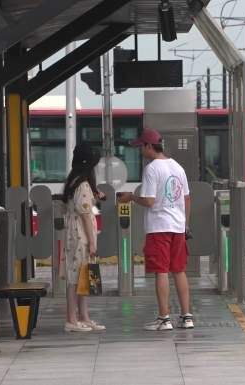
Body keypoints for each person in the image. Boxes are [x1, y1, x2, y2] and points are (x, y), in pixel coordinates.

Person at [119, 128, 194, 331]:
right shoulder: (177, 167)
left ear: (149, 146)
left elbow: (150, 201)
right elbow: (187, 198)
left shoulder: (152, 169)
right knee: (179, 270)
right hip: (178, 227)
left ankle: (164, 319)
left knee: (161, 271)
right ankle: (187, 317)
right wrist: (185, 224)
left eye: (141, 147)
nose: (140, 151)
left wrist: (131, 197)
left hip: (159, 227)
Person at [61, 144, 106, 332]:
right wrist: (93, 242)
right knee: (75, 277)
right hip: (81, 235)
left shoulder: (74, 181)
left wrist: (95, 196)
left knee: (82, 275)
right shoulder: (84, 184)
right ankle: (72, 320)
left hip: (73, 232)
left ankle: (83, 317)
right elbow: (87, 216)